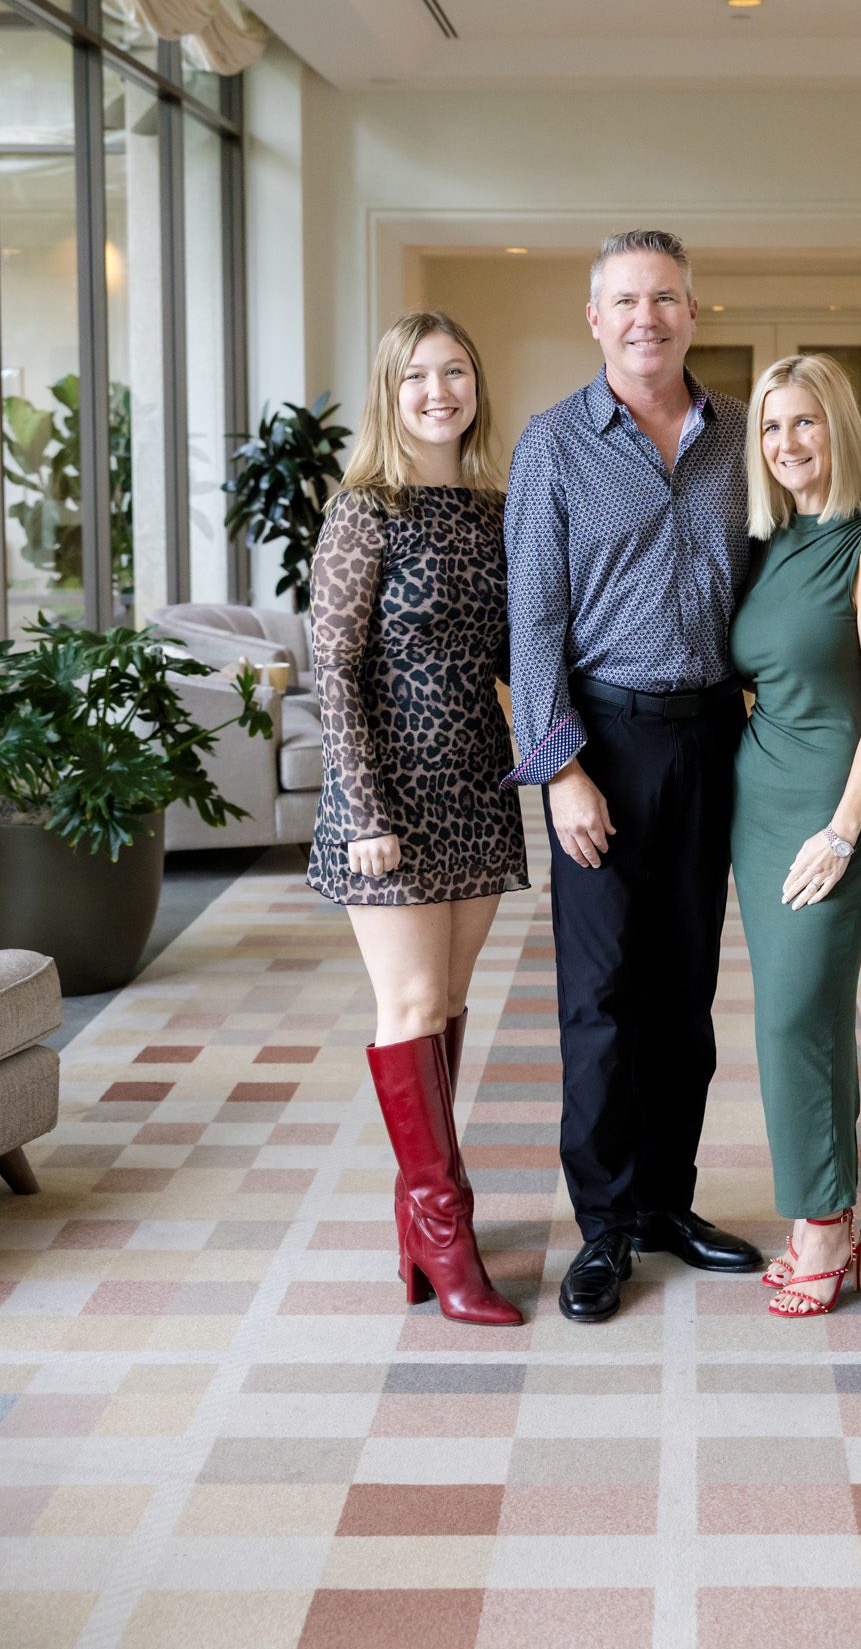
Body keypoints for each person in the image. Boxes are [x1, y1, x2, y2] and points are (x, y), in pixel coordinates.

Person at [504, 229, 762, 1323]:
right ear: (596, 318)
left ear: (693, 312)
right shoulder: (555, 443)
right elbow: (532, 625)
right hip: (601, 744)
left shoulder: (741, 439)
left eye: (665, 297)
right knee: (602, 1001)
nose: (647, 316)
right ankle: (605, 1223)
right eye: (626, 300)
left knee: (687, 997)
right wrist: (563, 771)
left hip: (711, 743)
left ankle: (666, 1201)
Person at [307, 309, 527, 1326]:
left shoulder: (491, 509)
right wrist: (362, 807)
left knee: (443, 1005)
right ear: (390, 395)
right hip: (388, 797)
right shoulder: (365, 510)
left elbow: (511, 661)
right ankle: (447, 1229)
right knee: (408, 1004)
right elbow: (334, 669)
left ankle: (417, 1228)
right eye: (418, 378)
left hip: (476, 787)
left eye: (456, 372)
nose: (440, 391)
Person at [730, 356, 861, 1318]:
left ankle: (817, 1226)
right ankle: (836, 1218)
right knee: (807, 1016)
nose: (787, 444)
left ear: (837, 430)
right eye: (771, 428)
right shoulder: (767, 543)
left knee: (791, 1016)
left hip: (831, 811)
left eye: (804, 424)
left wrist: (843, 831)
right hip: (756, 807)